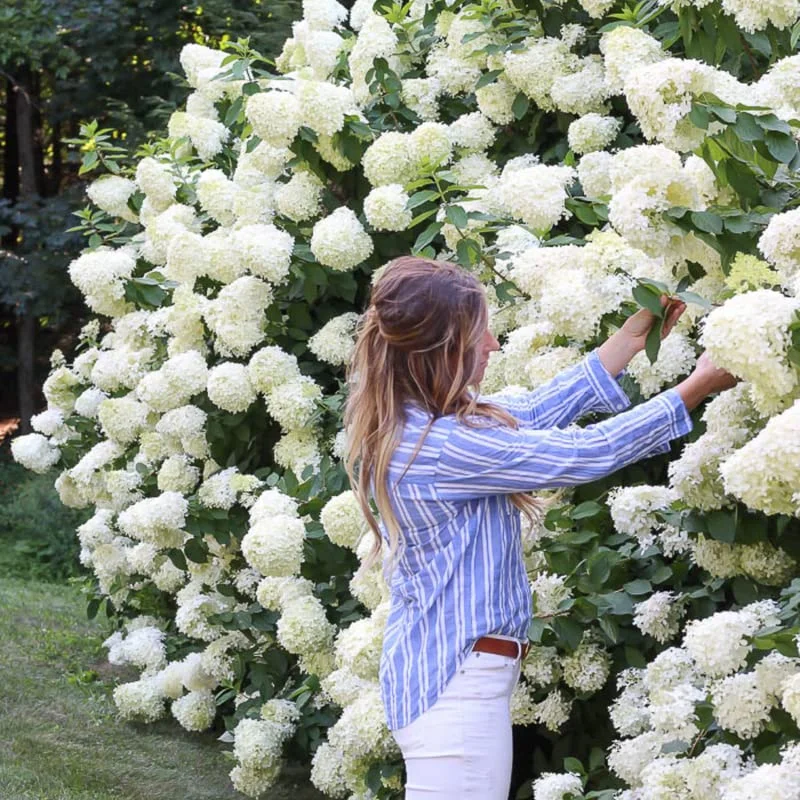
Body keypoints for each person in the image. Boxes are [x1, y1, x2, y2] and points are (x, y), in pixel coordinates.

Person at [343, 256, 736, 799]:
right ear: (444, 349)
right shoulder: (442, 446)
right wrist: (697, 386)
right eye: (480, 332)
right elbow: (585, 452)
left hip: (449, 679)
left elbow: (532, 409)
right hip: (454, 693)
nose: (494, 344)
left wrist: (628, 340)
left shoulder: (425, 421)